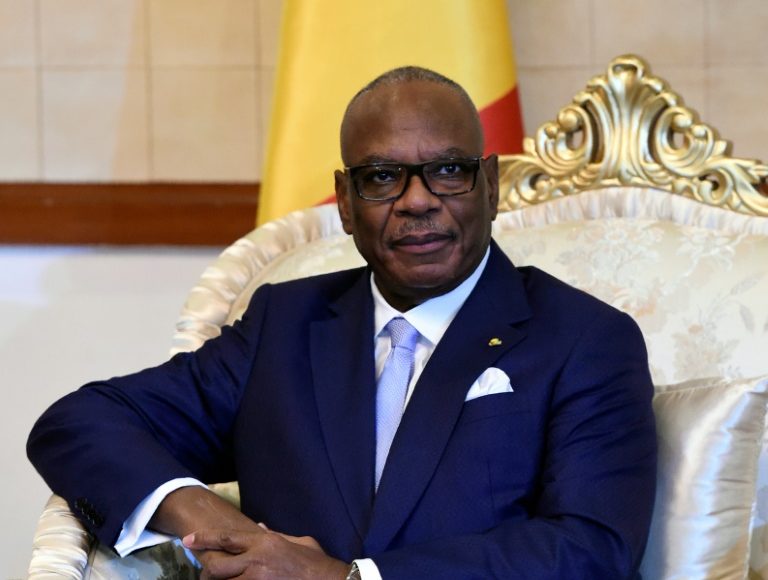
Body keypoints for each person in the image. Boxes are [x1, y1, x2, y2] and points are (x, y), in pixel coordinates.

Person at [28, 66, 657, 579]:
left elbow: (591, 548)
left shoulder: (584, 339)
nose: (417, 200)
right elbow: (79, 424)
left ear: (489, 186)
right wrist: (226, 529)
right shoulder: (284, 326)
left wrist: (345, 578)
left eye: (448, 170)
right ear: (347, 204)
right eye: (382, 177)